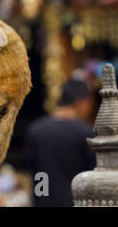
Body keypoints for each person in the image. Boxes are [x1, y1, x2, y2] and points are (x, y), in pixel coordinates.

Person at [25, 78, 96, 207]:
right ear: (81, 102)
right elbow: (91, 177)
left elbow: (38, 174)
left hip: (45, 202)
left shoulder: (36, 130)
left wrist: (41, 200)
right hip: (76, 202)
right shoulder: (85, 133)